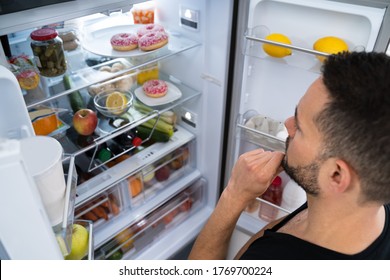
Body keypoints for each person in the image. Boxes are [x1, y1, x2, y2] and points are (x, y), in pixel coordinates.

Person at [188, 51, 390, 260]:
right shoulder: (364, 205)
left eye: (300, 127)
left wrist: (234, 195)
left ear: (336, 175)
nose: (288, 124)